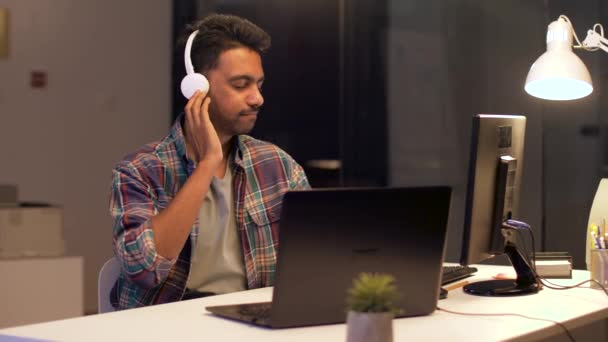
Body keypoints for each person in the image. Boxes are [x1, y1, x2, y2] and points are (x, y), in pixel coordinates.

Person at [108, 14, 310, 310]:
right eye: (241, 85)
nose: (258, 99)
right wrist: (207, 165)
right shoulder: (140, 171)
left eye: (259, 84)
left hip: (251, 321)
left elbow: (313, 262)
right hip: (165, 326)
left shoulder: (279, 168)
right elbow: (145, 270)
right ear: (196, 88)